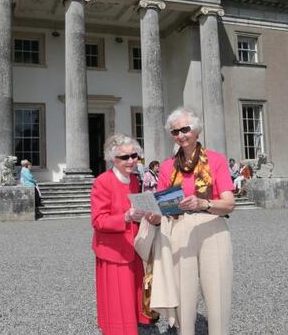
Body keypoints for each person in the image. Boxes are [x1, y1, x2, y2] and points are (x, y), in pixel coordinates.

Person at [151, 107, 236, 335]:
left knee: (217, 295)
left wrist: (204, 203)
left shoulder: (215, 160)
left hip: (212, 227)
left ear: (196, 131)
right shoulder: (167, 166)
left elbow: (229, 203)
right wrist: (149, 213)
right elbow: (160, 204)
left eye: (185, 129)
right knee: (183, 296)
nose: (181, 135)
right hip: (179, 229)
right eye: (175, 131)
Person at [90, 133, 153, 335]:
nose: (131, 161)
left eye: (134, 155)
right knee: (118, 301)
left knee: (131, 298)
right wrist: (125, 217)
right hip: (113, 251)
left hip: (133, 248)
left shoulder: (135, 180)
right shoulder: (102, 181)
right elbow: (98, 220)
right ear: (113, 159)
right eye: (124, 157)